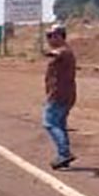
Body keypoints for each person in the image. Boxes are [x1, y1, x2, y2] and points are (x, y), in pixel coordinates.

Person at [42, 24, 77, 169]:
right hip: (64, 94)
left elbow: (57, 54)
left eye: (51, 36)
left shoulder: (64, 51)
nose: (49, 39)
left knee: (49, 123)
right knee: (60, 124)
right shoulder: (65, 51)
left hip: (59, 95)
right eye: (48, 36)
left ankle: (64, 153)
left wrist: (47, 53)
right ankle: (63, 155)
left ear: (59, 36)